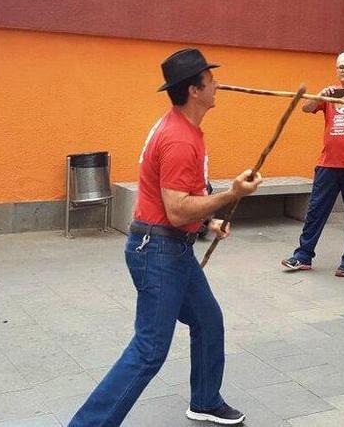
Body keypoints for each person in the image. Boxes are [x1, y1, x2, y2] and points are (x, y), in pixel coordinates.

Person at [70, 48, 261, 426]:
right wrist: (232, 194)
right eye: (211, 79)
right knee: (149, 350)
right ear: (195, 90)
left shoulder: (185, 128)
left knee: (208, 320)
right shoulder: (178, 139)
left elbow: (177, 199)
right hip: (157, 250)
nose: (217, 84)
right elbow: (175, 210)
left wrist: (208, 223)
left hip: (172, 246)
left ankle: (205, 400)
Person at [280, 51, 344, 277]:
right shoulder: (331, 92)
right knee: (315, 211)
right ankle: (303, 256)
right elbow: (306, 108)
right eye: (341, 67)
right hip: (328, 164)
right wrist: (319, 97)